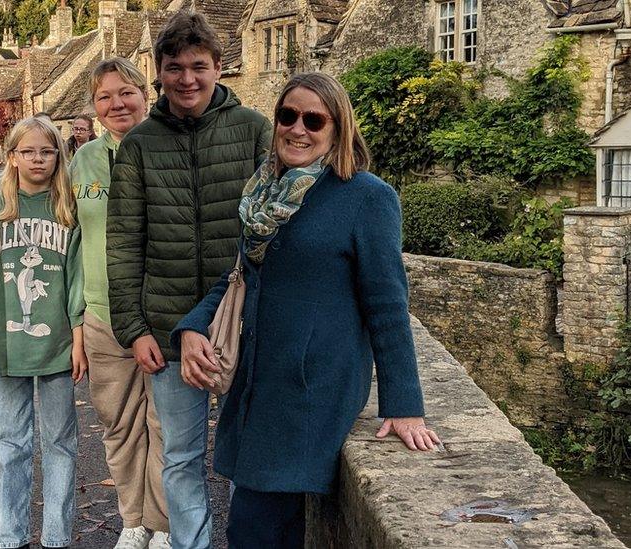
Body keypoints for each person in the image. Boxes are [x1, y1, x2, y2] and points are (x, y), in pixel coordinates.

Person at [174, 73, 442, 548]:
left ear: (338, 129)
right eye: (287, 115)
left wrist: (404, 406)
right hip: (259, 382)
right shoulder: (265, 193)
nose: (298, 129)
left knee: (255, 526)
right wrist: (194, 326)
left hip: (310, 390)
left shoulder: (367, 197)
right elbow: (239, 275)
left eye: (314, 120)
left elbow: (387, 305)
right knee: (259, 524)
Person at [105, 12, 271, 549]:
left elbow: (280, 226)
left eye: (198, 66)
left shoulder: (252, 130)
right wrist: (134, 329)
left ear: (219, 67)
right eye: (174, 68)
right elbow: (124, 243)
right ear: (158, 72)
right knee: (179, 457)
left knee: (249, 451)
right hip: (171, 331)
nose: (187, 79)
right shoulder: (139, 145)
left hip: (243, 326)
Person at [0, 116, 86, 549]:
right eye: (29, 151)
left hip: (57, 344)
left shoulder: (67, 209)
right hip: (8, 348)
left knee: (60, 444)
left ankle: (56, 537)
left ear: (59, 156)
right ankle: (10, 536)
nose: (38, 159)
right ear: (12, 157)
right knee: (10, 444)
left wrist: (78, 337)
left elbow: (76, 279)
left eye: (47, 151)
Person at [69, 58, 169, 549]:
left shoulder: (169, 146)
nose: (116, 104)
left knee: (166, 424)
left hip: (162, 313)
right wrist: (76, 323)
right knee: (119, 425)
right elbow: (66, 242)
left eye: (125, 92)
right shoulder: (83, 160)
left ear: (144, 95)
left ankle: (165, 525)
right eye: (104, 97)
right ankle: (133, 522)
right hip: (103, 316)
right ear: (94, 105)